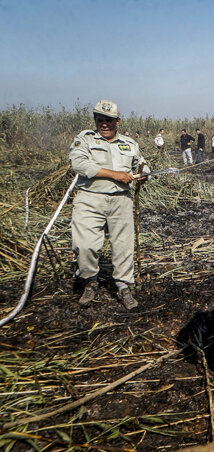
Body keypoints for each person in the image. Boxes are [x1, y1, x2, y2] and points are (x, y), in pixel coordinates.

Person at [70, 99, 149, 310]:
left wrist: (143, 175)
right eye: (100, 120)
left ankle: (123, 286)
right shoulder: (85, 139)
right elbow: (79, 163)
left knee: (123, 245)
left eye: (109, 120)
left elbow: (142, 165)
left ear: (118, 122)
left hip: (121, 201)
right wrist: (115, 175)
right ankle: (90, 281)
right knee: (85, 244)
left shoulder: (129, 143)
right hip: (90, 199)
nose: (104, 124)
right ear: (95, 120)